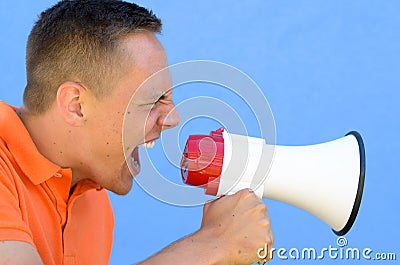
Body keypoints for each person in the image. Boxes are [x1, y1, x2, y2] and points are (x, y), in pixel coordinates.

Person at [0, 0, 273, 264]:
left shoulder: (93, 200)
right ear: (76, 106)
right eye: (154, 101)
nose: (173, 119)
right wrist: (212, 245)